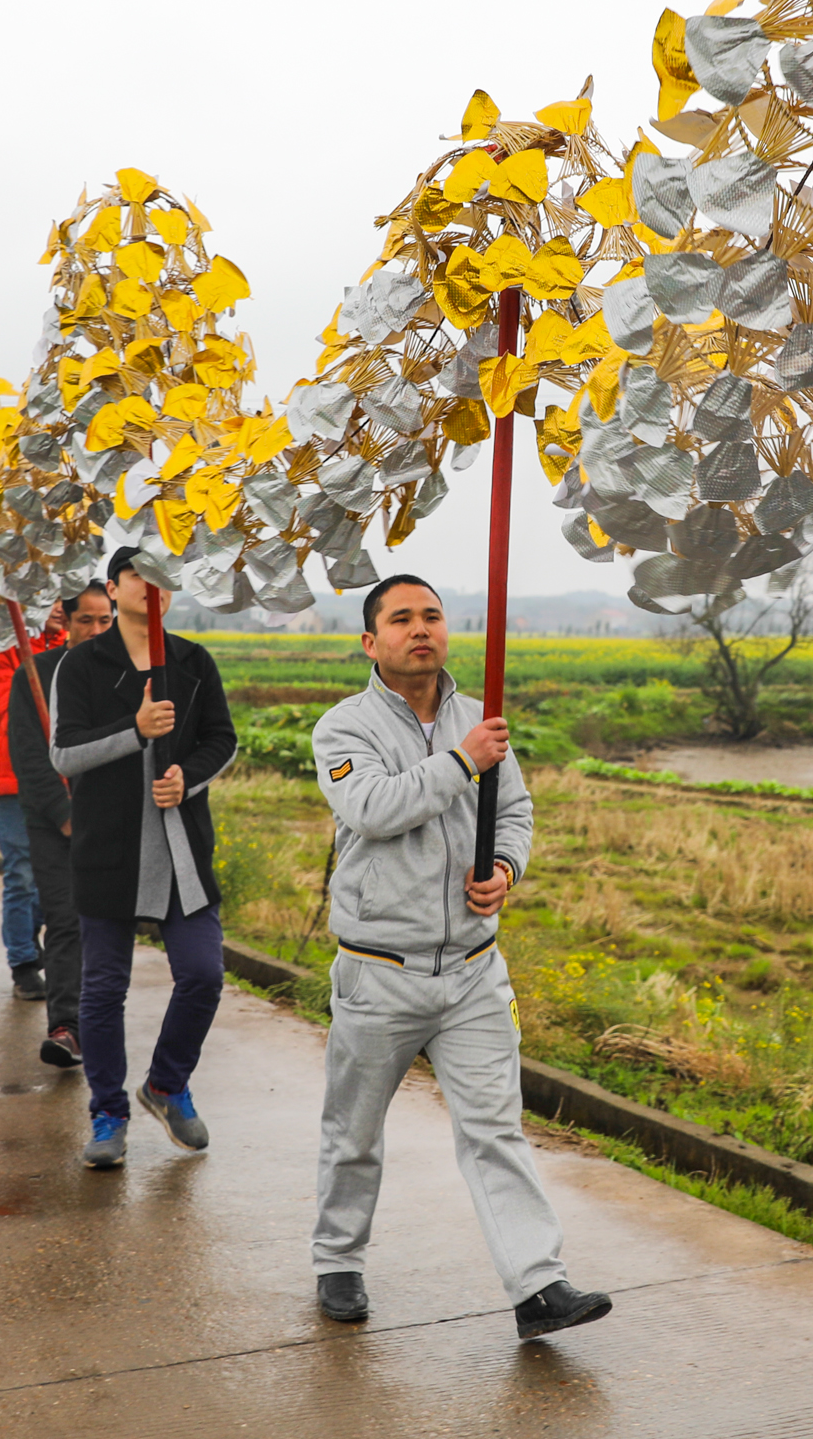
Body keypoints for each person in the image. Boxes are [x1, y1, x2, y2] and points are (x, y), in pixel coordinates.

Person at [305, 575, 608, 1341]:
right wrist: (463, 763)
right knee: (355, 1131)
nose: (421, 630)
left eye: (432, 616)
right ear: (371, 642)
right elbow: (373, 809)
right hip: (380, 970)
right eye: (401, 619)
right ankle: (338, 1259)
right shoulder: (343, 729)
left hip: (474, 970)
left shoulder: (480, 720)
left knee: (494, 1128)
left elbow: (515, 812)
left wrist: (506, 870)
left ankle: (538, 1285)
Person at [52, 550, 234, 1169]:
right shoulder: (83, 664)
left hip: (181, 844)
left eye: (163, 576)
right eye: (138, 575)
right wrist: (134, 730)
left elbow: (221, 740)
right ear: (113, 587)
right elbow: (64, 754)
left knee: (204, 974)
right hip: (108, 846)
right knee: (103, 990)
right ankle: (108, 1112)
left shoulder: (192, 660)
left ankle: (165, 1084)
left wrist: (189, 777)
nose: (152, 587)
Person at [2, 588, 114, 1069]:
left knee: (106, 924)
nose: (95, 631)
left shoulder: (121, 677)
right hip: (55, 821)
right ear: (64, 621)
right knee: (65, 918)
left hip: (110, 818)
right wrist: (64, 813)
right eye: (85, 621)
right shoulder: (35, 677)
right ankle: (66, 1026)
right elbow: (28, 752)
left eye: (104, 621)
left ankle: (102, 1018)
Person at [0, 604, 71, 998]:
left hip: (64, 780)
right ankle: (23, 962)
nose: (57, 607)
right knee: (21, 875)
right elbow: (4, 709)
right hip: (13, 780)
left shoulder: (72, 647)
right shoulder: (1, 646)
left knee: (56, 878)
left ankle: (38, 943)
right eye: (46, 597)